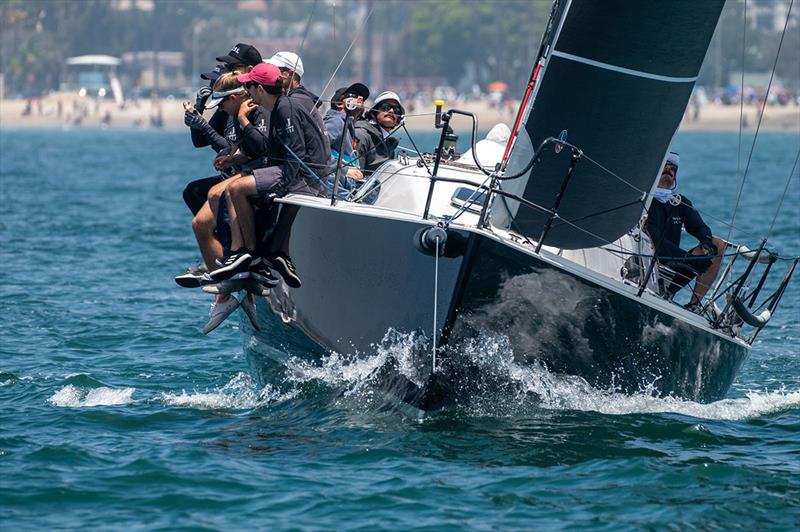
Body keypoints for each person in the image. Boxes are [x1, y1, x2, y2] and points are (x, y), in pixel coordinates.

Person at [209, 63, 330, 287]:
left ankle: (249, 253)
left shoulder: (285, 108)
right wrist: (238, 160)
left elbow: (297, 153)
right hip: (305, 175)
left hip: (304, 177)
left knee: (237, 188)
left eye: (250, 87)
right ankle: (276, 252)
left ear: (260, 90)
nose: (248, 92)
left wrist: (281, 186)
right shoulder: (280, 106)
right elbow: (273, 149)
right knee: (247, 186)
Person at [644, 152, 725, 312]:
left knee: (718, 245)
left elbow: (699, 227)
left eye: (672, 168)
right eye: (665, 168)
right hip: (648, 262)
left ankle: (694, 305)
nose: (669, 170)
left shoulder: (680, 202)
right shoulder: (645, 200)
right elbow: (653, 237)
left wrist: (706, 242)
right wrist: (687, 259)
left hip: (677, 267)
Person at [324, 82, 370, 188]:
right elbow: (316, 151)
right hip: (333, 191)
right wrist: (343, 169)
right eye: (353, 95)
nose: (361, 98)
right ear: (339, 104)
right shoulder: (336, 121)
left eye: (361, 97)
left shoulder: (347, 125)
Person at [354, 91, 405, 175]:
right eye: (386, 107)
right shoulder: (361, 135)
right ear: (373, 113)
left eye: (396, 110)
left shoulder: (389, 143)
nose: (391, 111)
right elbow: (355, 176)